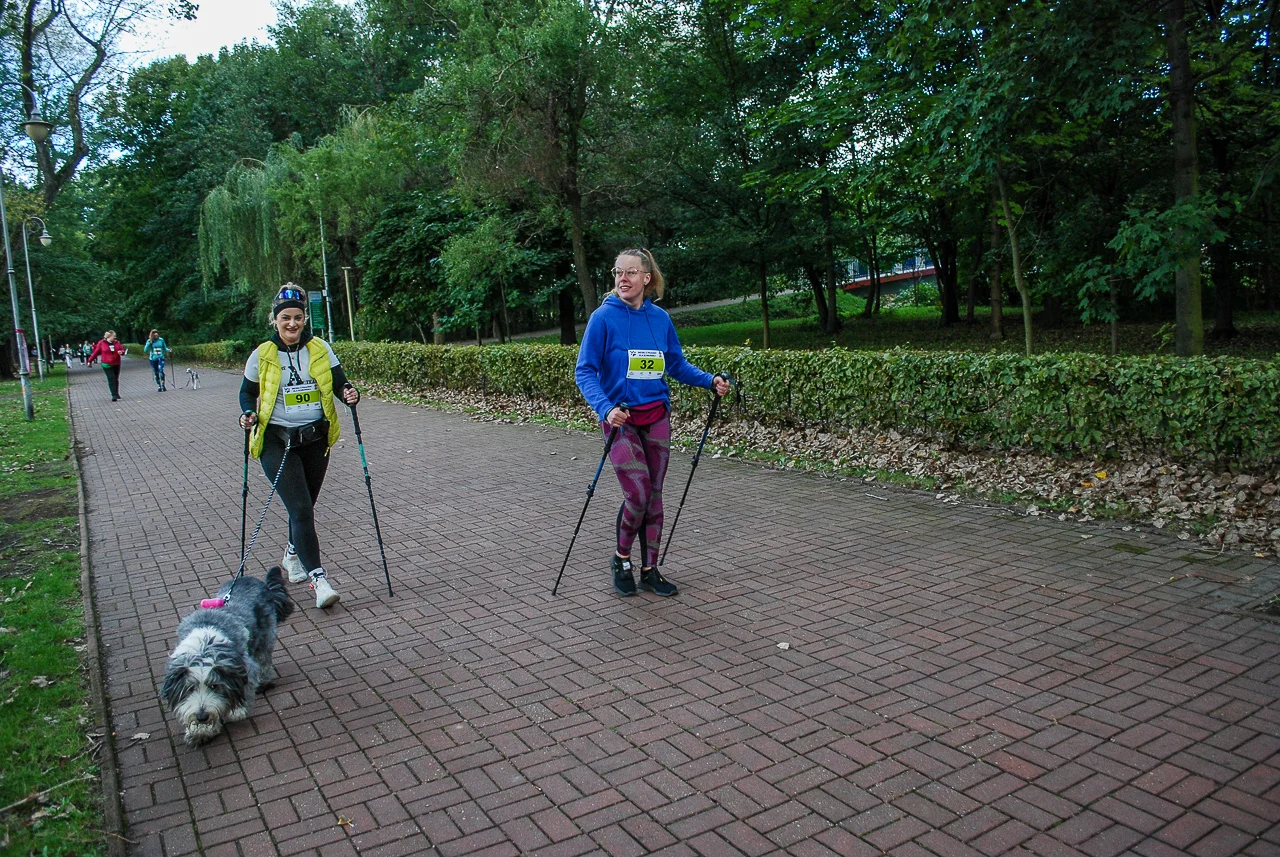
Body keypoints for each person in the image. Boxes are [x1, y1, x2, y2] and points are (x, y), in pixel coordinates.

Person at [575, 247, 730, 598]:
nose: (623, 278)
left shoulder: (660, 319)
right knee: (638, 493)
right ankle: (621, 560)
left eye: (630, 272)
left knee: (655, 496)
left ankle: (650, 570)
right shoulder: (603, 318)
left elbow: (675, 364)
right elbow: (584, 371)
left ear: (646, 278)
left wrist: (710, 381)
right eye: (618, 272)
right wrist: (606, 408)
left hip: (657, 416)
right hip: (621, 420)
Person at [238, 285, 360, 610]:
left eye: (297, 317)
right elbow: (247, 392)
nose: (292, 323)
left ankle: (293, 554)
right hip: (276, 442)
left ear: (304, 318)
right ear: (275, 320)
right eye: (285, 318)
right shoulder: (262, 354)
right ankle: (319, 580)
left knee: (305, 507)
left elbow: (340, 383)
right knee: (302, 509)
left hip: (316, 439)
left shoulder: (319, 348)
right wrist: (248, 413)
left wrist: (349, 393)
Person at [87, 330, 126, 401]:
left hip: (116, 363)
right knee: (111, 378)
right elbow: (96, 352)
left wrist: (121, 352)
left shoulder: (117, 343)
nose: (115, 338)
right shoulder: (101, 343)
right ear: (109, 336)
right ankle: (114, 395)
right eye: (113, 336)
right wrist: (90, 360)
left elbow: (122, 350)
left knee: (116, 378)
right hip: (106, 363)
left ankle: (116, 393)